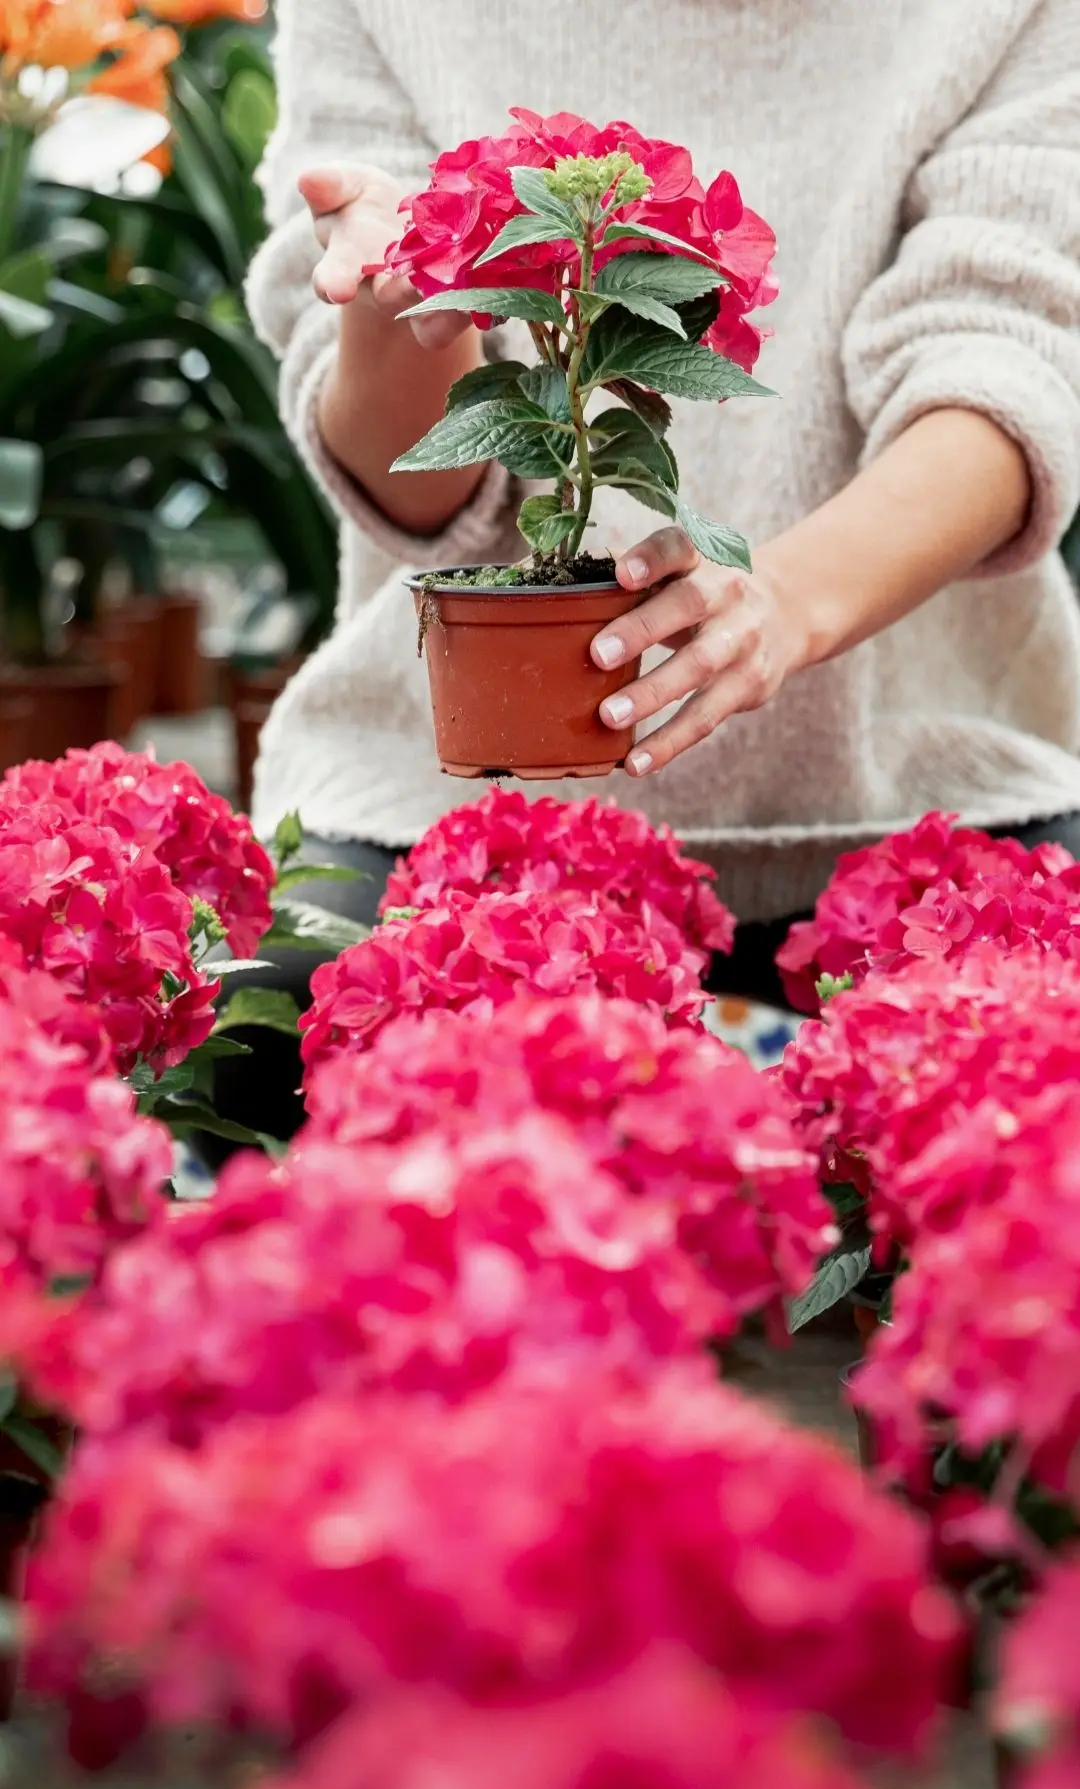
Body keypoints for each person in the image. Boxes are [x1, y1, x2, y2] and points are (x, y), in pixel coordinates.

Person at [222, 0, 1080, 1145]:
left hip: (926, 804)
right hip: (437, 817)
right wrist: (401, 309)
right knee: (259, 1060)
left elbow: (1005, 351)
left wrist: (779, 605)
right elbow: (412, 486)